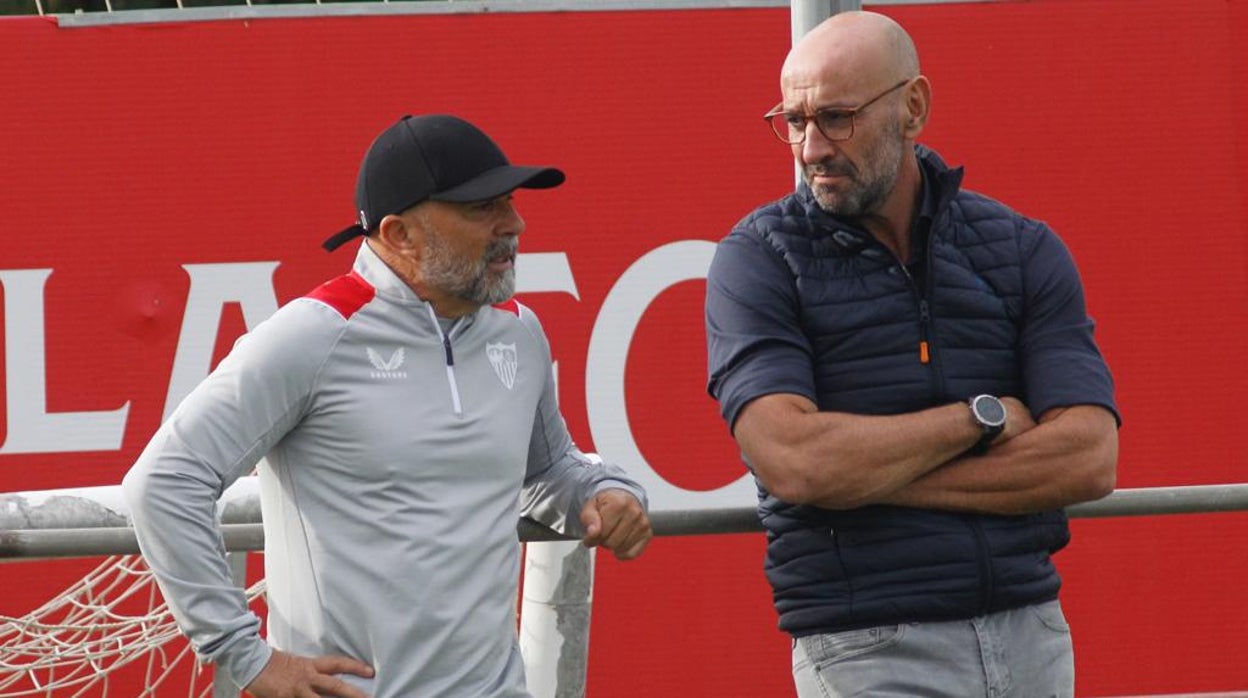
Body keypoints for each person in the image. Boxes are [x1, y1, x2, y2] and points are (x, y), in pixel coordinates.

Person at [123, 114, 652, 698]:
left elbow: (548, 472)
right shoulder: (314, 334)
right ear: (400, 235)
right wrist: (245, 657)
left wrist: (609, 494)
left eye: (510, 202)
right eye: (484, 208)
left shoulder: (519, 331)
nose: (515, 225)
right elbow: (164, 482)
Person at [705, 11, 1119, 697]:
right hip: (867, 647)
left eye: (837, 117)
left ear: (913, 107)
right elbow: (795, 461)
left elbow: (1090, 456)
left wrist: (871, 481)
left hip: (1031, 632)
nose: (811, 148)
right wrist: (977, 420)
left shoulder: (1021, 247)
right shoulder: (756, 260)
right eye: (793, 121)